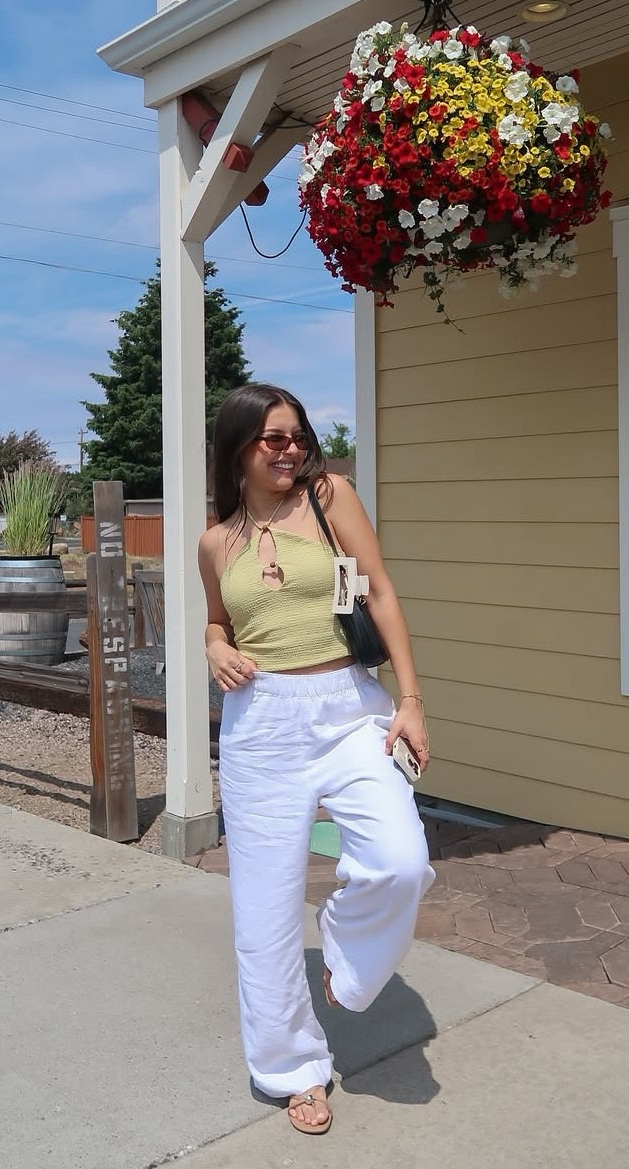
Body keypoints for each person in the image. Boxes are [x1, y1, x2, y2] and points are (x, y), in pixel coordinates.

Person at [197, 382, 434, 1136]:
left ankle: (349, 960)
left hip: (348, 708)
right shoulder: (215, 541)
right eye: (274, 438)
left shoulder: (331, 497)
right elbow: (214, 621)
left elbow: (382, 592)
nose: (292, 449)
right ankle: (292, 1068)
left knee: (400, 859)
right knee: (264, 914)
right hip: (261, 725)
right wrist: (214, 648)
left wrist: (411, 698)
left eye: (298, 435)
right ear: (238, 446)